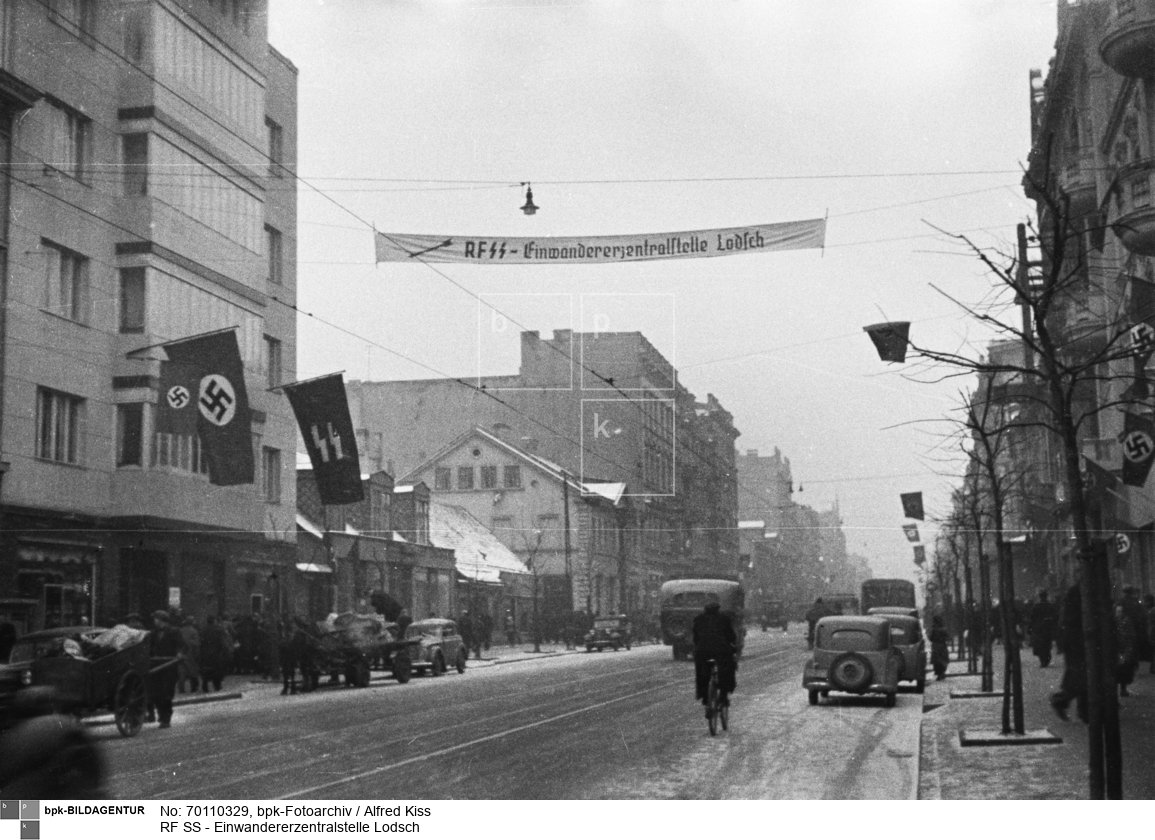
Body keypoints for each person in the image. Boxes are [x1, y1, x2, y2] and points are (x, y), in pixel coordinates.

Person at [692, 594, 738, 715]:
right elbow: (731, 636)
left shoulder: (698, 619)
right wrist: (733, 645)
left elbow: (696, 637)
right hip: (721, 651)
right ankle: (723, 695)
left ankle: (705, 697)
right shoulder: (724, 619)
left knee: (702, 674)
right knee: (727, 670)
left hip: (702, 652)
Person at [1051, 583, 1087, 723]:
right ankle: (1061, 701)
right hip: (1078, 643)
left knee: (1082, 676)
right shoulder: (1080, 591)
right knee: (1082, 676)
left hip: (1076, 643)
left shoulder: (1076, 592)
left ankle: (1084, 711)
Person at [147, 610, 185, 729]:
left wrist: (179, 653)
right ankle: (161, 715)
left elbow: (182, 645)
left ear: (162, 620)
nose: (154, 621)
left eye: (156, 619)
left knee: (166, 694)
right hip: (156, 666)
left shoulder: (174, 631)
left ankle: (166, 719)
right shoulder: (153, 633)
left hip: (169, 666)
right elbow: (149, 647)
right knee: (156, 694)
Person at [1028, 590, 1059, 668]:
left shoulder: (1036, 606)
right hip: (1047, 628)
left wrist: (1030, 627)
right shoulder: (1050, 606)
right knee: (1047, 645)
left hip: (1038, 629)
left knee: (1040, 645)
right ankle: (1046, 659)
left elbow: (1032, 618)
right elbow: (1055, 617)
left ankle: (1043, 660)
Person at [199, 616, 229, 693]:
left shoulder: (203, 629)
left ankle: (205, 685)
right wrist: (226, 651)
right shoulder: (219, 629)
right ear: (214, 621)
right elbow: (223, 642)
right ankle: (217, 685)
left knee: (206, 669)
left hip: (205, 653)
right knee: (217, 669)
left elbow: (200, 641)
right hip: (217, 652)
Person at [929, 614, 951, 680]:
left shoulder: (934, 629)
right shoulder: (944, 629)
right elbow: (948, 637)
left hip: (935, 646)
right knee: (943, 660)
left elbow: (931, 638)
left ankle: (939, 674)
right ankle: (942, 673)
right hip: (942, 646)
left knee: (936, 661)